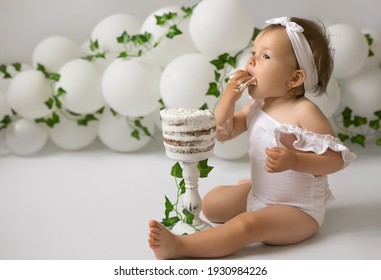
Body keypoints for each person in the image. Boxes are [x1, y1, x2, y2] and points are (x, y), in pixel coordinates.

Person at [148, 16, 356, 259]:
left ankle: (180, 247)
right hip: (260, 195)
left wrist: (295, 161)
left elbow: (336, 160)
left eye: (265, 56)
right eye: (254, 51)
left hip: (297, 211)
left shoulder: (305, 112)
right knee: (213, 204)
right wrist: (229, 98)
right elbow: (223, 132)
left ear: (295, 78)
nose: (252, 60)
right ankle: (251, 186)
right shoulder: (257, 106)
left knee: (247, 225)